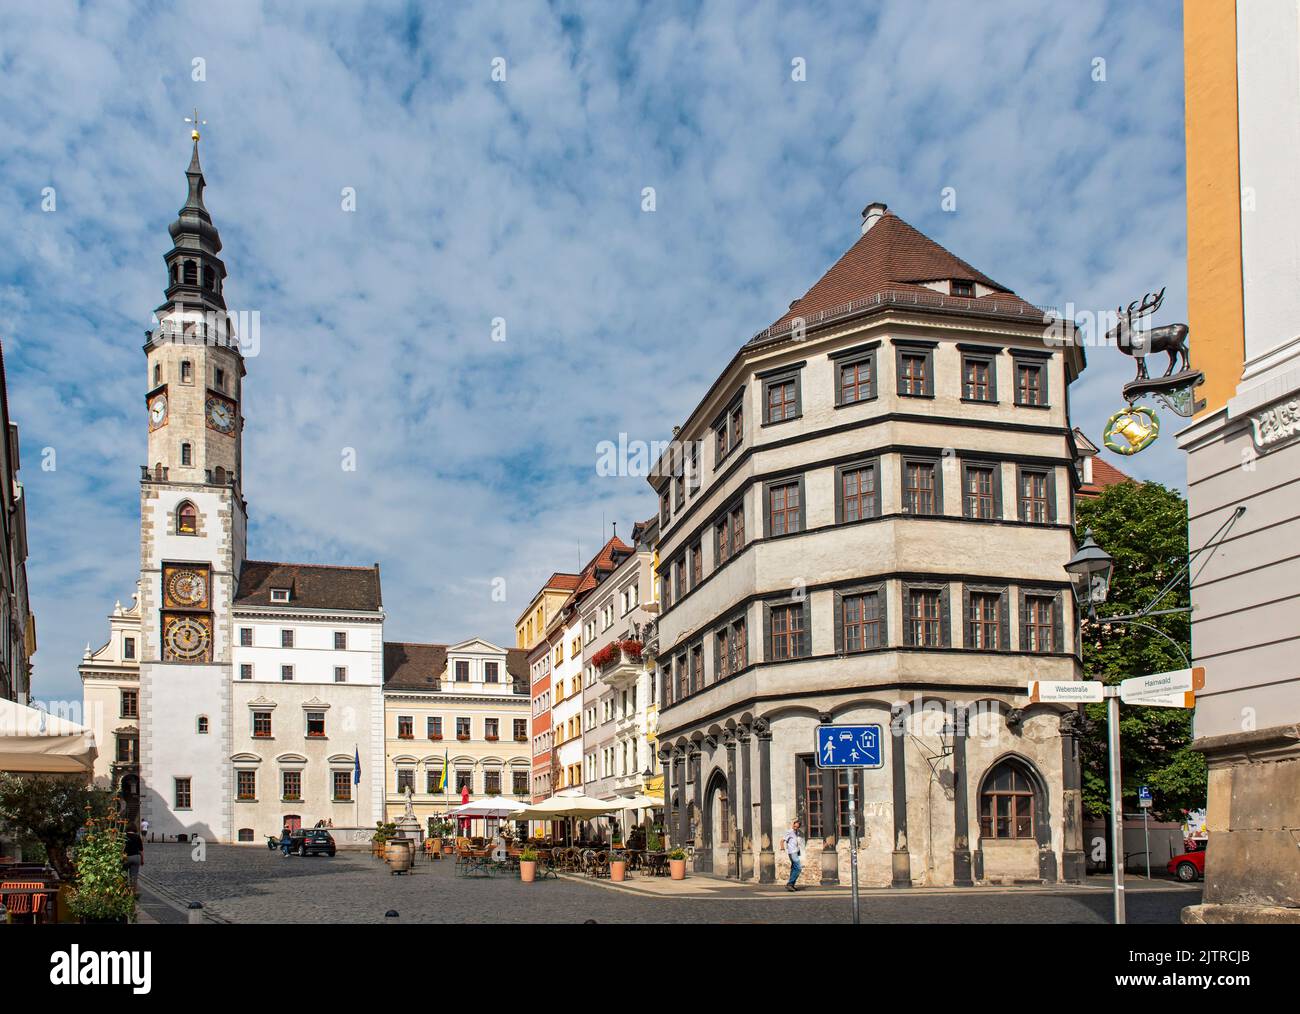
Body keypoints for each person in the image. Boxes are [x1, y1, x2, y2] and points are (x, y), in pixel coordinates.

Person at [782, 818, 804, 892]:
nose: (796, 828)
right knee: (798, 868)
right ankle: (790, 884)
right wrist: (782, 848)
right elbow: (782, 840)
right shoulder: (789, 832)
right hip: (792, 852)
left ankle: (792, 885)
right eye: (795, 826)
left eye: (797, 827)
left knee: (794, 868)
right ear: (793, 825)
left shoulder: (796, 832)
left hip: (796, 852)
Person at [124, 824, 144, 895]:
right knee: (134, 876)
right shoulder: (138, 836)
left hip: (125, 857)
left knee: (124, 875)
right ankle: (133, 893)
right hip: (136, 857)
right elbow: (141, 850)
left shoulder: (123, 836)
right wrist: (142, 859)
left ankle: (124, 891)